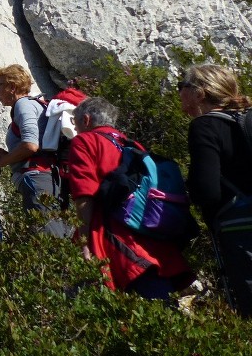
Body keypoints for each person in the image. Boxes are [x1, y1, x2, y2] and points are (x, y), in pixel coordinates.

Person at [65, 97, 195, 299]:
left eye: (76, 123)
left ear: (86, 120)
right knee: (159, 303)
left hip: (113, 234)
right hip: (149, 232)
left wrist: (84, 239)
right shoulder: (132, 144)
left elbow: (85, 195)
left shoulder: (84, 141)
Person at [180, 64, 252, 316]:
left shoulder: (205, 126)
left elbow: (206, 190)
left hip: (241, 227)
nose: (179, 93)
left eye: (182, 87)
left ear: (199, 93)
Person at [0, 65, 64, 226]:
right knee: (51, 234)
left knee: (46, 238)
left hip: (37, 179)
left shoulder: (23, 105)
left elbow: (31, 145)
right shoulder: (33, 104)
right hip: (44, 177)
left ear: (12, 87)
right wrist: (4, 154)